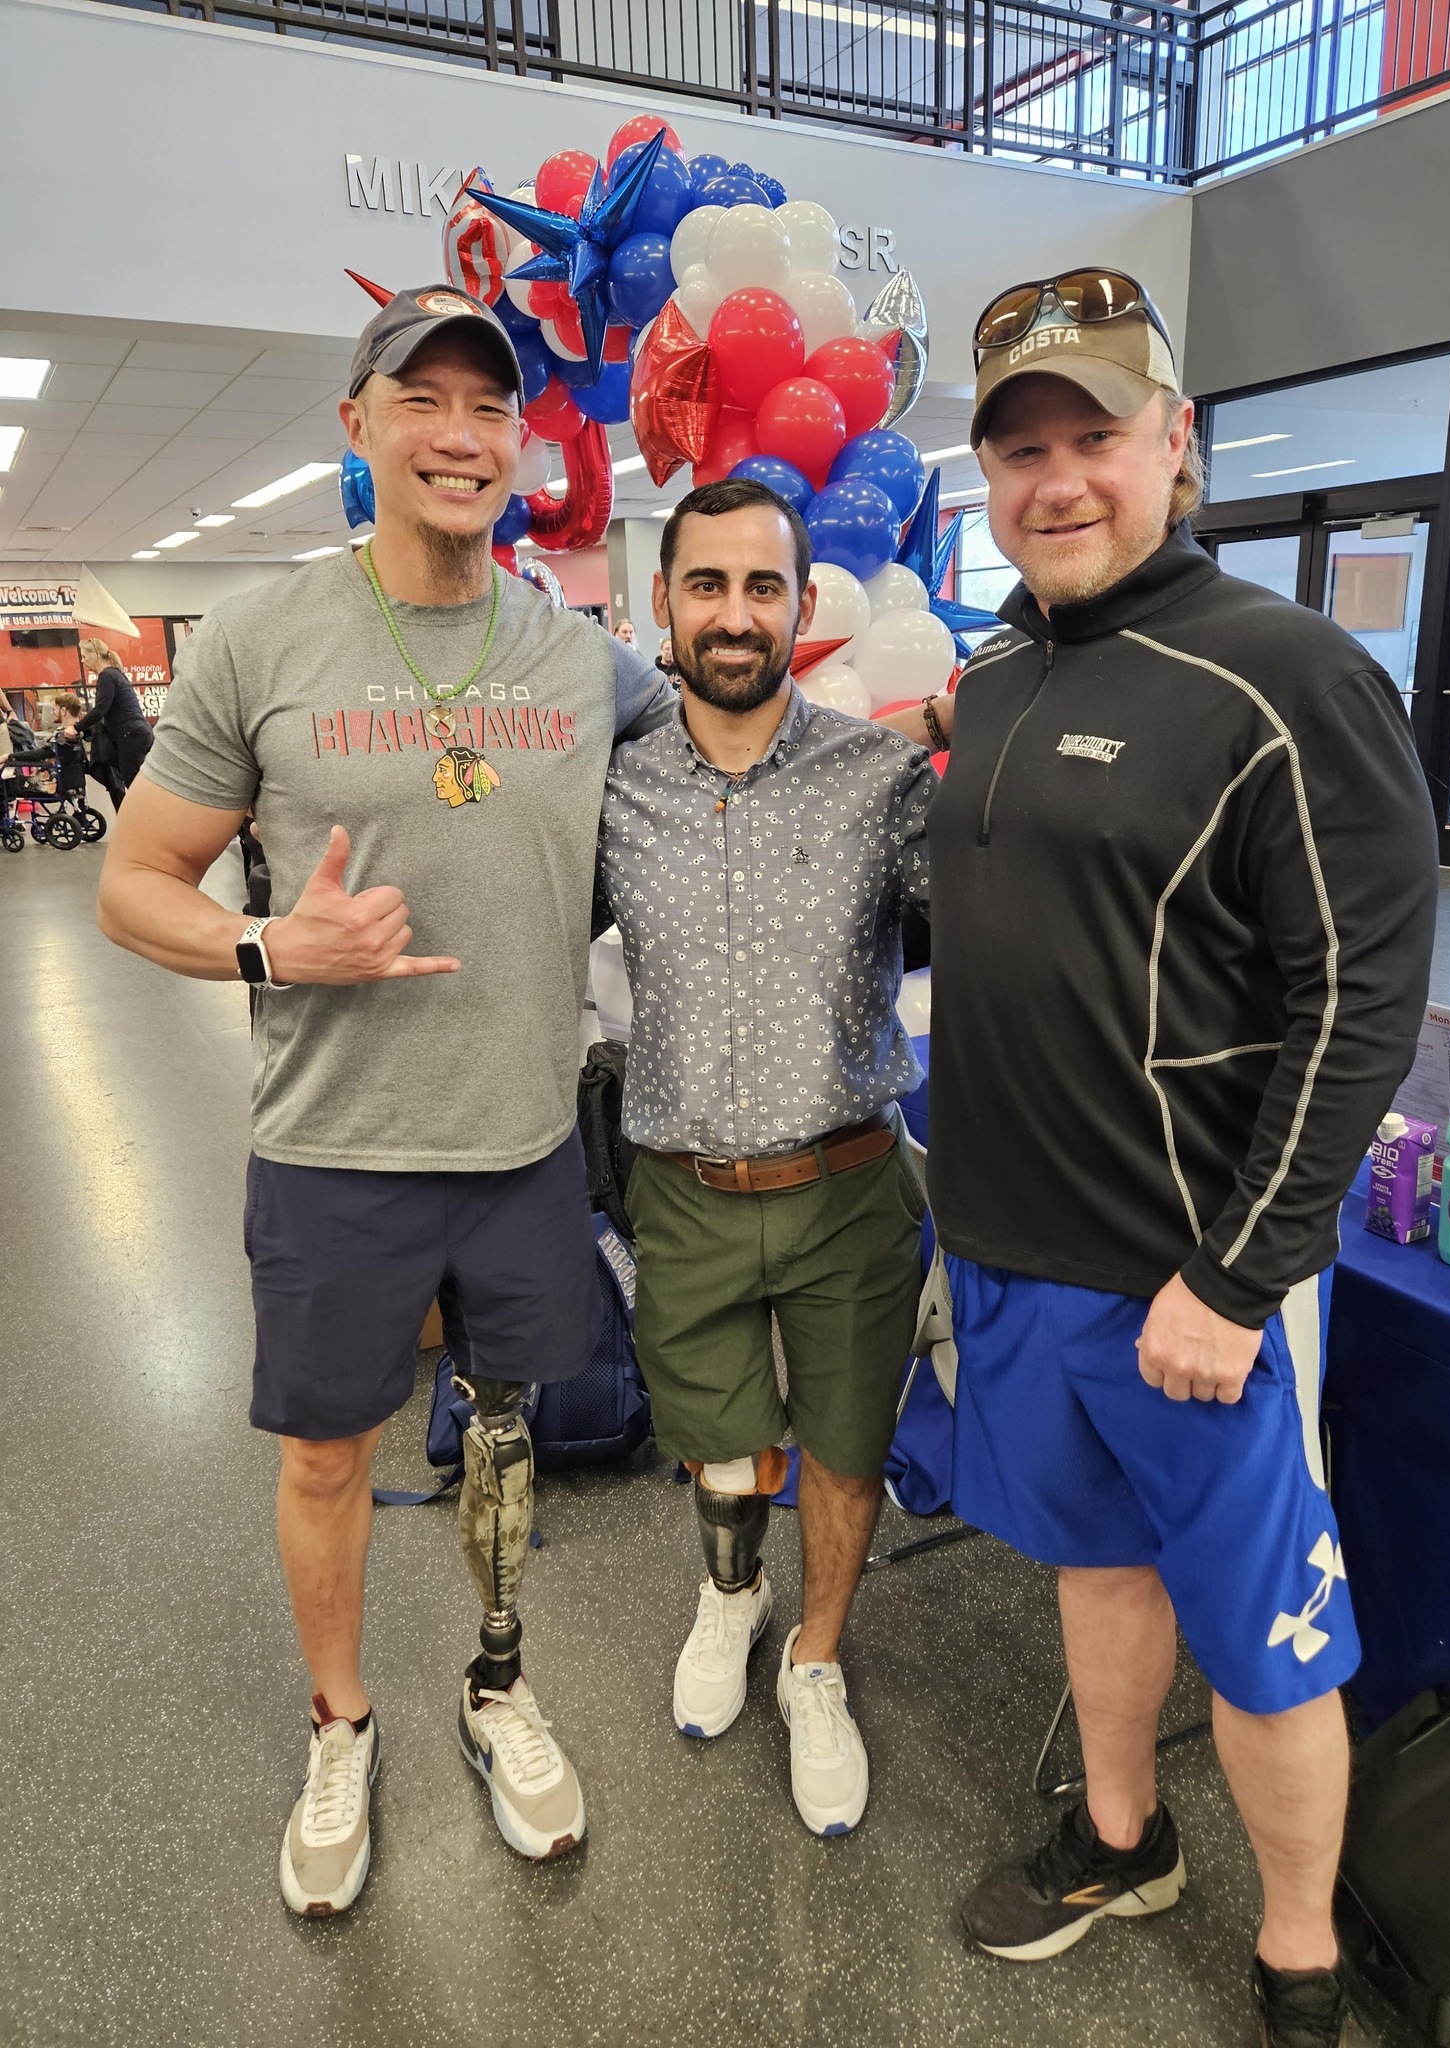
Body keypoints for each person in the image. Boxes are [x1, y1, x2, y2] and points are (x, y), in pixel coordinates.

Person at [97, 282, 674, 1917]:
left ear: (522, 444)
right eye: (422, 399)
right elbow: (133, 884)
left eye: (491, 406)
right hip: (332, 1151)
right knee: (326, 1459)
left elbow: (737, 722)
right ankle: (341, 1723)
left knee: (506, 1431)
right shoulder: (264, 639)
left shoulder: (581, 657)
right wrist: (272, 942)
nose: (461, 435)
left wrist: (944, 713)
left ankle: (498, 1682)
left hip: (524, 1145)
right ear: (358, 425)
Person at [924, 271, 1437, 2046]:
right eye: (1021, 450)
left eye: (1096, 436)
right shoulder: (1000, 677)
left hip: (1190, 1284)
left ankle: (1298, 1958)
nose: (1057, 479)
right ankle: (1123, 1840)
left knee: (1268, 1634)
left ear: (1176, 443)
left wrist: (1236, 1275)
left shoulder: (1289, 677)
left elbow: (1359, 1005)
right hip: (1016, 1257)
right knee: (1096, 1567)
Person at [596, 478, 935, 1836]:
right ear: (662, 604)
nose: (735, 614)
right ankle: (731, 1600)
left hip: (847, 1184)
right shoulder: (611, 792)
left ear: (802, 606)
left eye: (762, 587)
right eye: (707, 584)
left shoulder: (880, 778)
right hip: (682, 1188)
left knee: (846, 1448)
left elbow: (1010, 922)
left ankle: (815, 1658)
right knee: (724, 1446)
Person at [75, 638, 153, 803]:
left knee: (134, 785)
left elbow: (100, 710)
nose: (83, 661)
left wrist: (76, 727)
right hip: (138, 733)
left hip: (130, 735)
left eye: (84, 656)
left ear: (96, 654)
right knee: (140, 783)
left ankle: (150, 816)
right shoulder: (114, 674)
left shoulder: (107, 676)